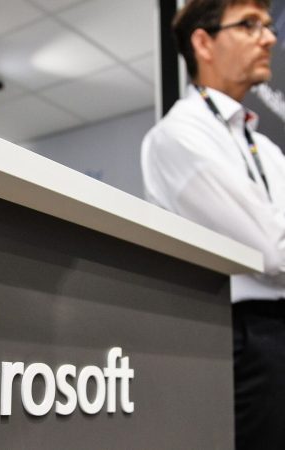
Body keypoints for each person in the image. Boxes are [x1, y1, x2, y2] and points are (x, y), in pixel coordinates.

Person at [141, 0, 285, 448]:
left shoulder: (266, 147)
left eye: (268, 26)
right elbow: (268, 252)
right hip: (242, 335)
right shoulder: (179, 134)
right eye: (250, 25)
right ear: (203, 43)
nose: (269, 38)